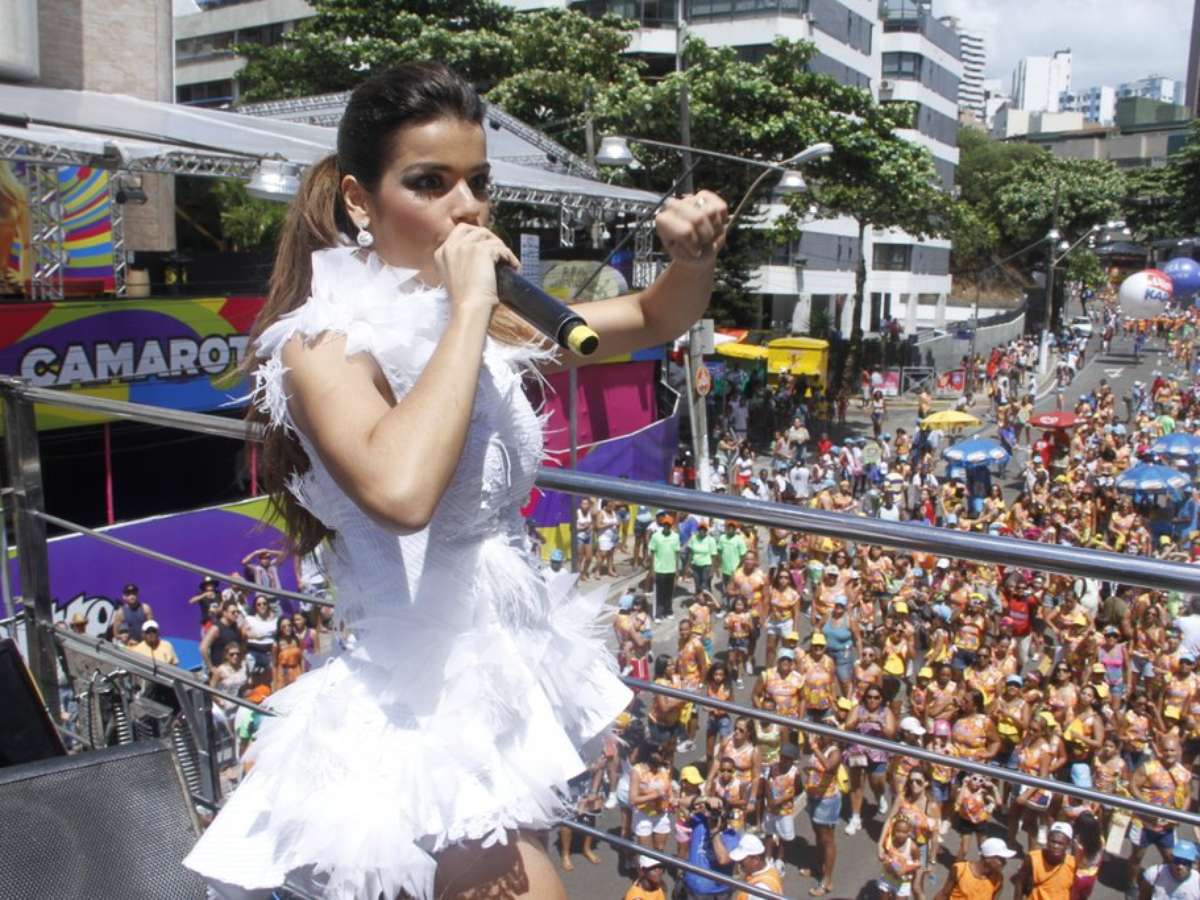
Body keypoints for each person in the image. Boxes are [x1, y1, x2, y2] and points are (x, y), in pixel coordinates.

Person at [184, 62, 728, 899]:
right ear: (360, 201)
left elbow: (655, 316)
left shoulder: (476, 313)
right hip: (421, 714)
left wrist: (692, 258)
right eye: (430, 183)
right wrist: (471, 308)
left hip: (503, 675)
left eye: (478, 182)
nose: (467, 207)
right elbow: (401, 494)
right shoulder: (321, 343)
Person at [681, 795, 738, 900]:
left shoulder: (731, 836)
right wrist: (706, 799)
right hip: (692, 890)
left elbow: (723, 860)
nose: (713, 814)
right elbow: (681, 803)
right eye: (711, 810)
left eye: (718, 812)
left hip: (717, 894)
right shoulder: (699, 822)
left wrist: (714, 832)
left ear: (726, 815)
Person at [933, 837, 1016, 900]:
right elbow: (944, 894)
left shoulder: (998, 879)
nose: (1005, 862)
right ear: (988, 858)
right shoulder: (961, 869)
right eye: (1001, 859)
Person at [1012, 821, 1077, 900]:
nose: (1055, 846)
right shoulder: (1033, 858)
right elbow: (1020, 883)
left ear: (1068, 844)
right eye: (1053, 841)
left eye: (1060, 843)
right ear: (1047, 840)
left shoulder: (1073, 863)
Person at [730, 832, 784, 899]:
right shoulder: (770, 869)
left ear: (756, 859)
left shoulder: (760, 890)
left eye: (741, 860)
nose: (738, 863)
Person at [650, 516, 681, 622]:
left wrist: (677, 569)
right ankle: (658, 613)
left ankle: (668, 611)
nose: (666, 526)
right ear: (662, 525)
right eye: (665, 524)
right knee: (659, 592)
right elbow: (652, 553)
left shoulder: (676, 536)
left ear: (671, 526)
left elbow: (677, 553)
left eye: (668, 525)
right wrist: (652, 570)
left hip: (671, 569)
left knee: (669, 592)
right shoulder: (655, 536)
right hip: (659, 569)